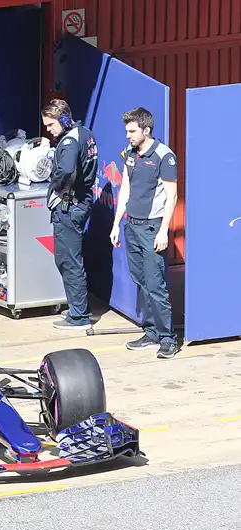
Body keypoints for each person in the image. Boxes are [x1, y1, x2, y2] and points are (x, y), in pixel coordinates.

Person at [110, 107, 179, 359]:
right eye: (126, 130)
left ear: (145, 130)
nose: (127, 135)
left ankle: (168, 338)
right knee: (141, 280)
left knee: (156, 284)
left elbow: (172, 196)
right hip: (132, 225)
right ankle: (151, 332)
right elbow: (125, 189)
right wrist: (117, 223)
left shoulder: (164, 156)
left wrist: (163, 231)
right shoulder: (129, 153)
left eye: (131, 131)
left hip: (152, 227)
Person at [41, 99, 99, 330]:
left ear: (64, 120)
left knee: (68, 260)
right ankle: (78, 307)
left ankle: (78, 316)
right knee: (72, 259)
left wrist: (56, 188)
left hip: (70, 206)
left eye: (50, 124)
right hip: (81, 202)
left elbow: (65, 171)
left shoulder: (69, 142)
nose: (48, 129)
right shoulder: (85, 133)